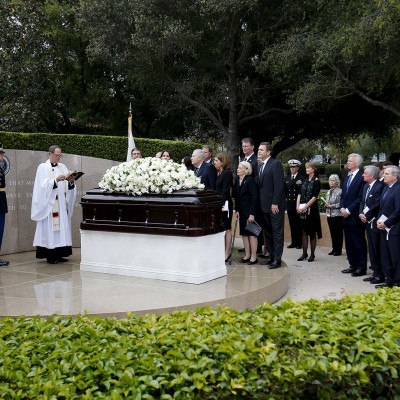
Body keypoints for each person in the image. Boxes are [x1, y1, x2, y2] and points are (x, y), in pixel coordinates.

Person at [31, 145, 77, 264]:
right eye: (56, 155)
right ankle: (50, 256)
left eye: (60, 155)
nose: (58, 158)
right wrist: (55, 181)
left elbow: (68, 188)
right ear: (49, 154)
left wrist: (71, 182)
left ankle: (60, 254)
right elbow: (41, 187)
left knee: (61, 229)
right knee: (51, 230)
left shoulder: (63, 167)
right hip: (50, 205)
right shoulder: (42, 167)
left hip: (61, 204)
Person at [257, 142, 286, 269]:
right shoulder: (260, 165)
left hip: (275, 206)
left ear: (268, 152)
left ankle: (277, 260)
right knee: (268, 233)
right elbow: (260, 184)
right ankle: (271, 256)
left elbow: (279, 186)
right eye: (258, 149)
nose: (259, 152)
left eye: (261, 150)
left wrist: (275, 203)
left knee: (277, 233)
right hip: (264, 206)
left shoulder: (275, 164)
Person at [340, 153, 368, 277]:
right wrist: (341, 208)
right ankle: (353, 265)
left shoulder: (361, 177)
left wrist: (348, 210)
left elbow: (359, 197)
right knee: (349, 242)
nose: (348, 162)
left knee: (358, 241)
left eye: (350, 161)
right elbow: (343, 195)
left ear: (357, 163)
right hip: (345, 215)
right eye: (348, 160)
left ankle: (361, 267)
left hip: (355, 215)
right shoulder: (347, 176)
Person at [358, 165, 384, 284]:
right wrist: (360, 214)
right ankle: (375, 272)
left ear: (372, 175)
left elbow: (377, 204)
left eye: (365, 173)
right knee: (372, 249)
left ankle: (380, 274)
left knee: (376, 248)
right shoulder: (365, 186)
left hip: (374, 221)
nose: (363, 175)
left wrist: (367, 215)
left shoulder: (380, 186)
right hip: (367, 221)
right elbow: (362, 202)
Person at [376, 166, 400, 288]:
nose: (383, 175)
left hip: (394, 228)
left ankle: (397, 281)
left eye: (386, 174)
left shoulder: (398, 188)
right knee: (385, 255)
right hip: (383, 227)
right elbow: (383, 208)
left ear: (394, 176)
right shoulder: (386, 188)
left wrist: (387, 223)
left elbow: (398, 210)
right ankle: (388, 279)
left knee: (395, 255)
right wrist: (380, 222)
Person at [296, 162, 322, 262]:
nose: (306, 169)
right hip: (302, 209)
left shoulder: (316, 181)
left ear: (313, 169)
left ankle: (312, 254)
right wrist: (297, 206)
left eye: (308, 168)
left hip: (312, 210)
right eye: (306, 168)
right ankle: (304, 253)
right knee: (303, 231)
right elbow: (299, 194)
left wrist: (306, 207)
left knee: (312, 232)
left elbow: (315, 197)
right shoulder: (304, 180)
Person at [234, 161, 259, 264]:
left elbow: (254, 198)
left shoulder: (250, 181)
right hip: (242, 212)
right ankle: (247, 255)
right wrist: (237, 210)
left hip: (250, 212)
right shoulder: (237, 180)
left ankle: (253, 256)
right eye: (238, 168)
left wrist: (252, 214)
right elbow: (236, 197)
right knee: (244, 234)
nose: (237, 169)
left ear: (246, 170)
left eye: (240, 168)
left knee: (252, 234)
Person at [213, 152, 234, 262]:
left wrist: (220, 203)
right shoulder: (219, 173)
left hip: (225, 204)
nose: (214, 162)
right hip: (220, 203)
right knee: (222, 227)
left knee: (227, 227)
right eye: (214, 160)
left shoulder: (227, 173)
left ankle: (227, 252)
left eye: (216, 160)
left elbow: (226, 191)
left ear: (222, 161)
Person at [285, 159, 305, 249]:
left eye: (294, 167)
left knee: (299, 224)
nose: (292, 169)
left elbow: (302, 192)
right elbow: (285, 191)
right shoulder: (287, 178)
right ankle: (293, 242)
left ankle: (299, 242)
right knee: (292, 224)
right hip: (289, 204)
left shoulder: (302, 178)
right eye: (291, 167)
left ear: (297, 168)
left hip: (297, 204)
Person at [324, 174, 343, 256]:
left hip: (337, 215)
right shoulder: (329, 191)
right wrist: (325, 205)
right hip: (329, 215)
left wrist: (331, 206)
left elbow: (341, 203)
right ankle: (334, 248)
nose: (331, 182)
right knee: (332, 233)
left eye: (333, 180)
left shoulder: (340, 191)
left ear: (337, 182)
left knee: (338, 233)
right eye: (330, 180)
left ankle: (338, 250)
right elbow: (327, 201)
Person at [0, 146, 9, 267]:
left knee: (0, 230)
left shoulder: (0, 169)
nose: (2, 157)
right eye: (1, 154)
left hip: (1, 201)